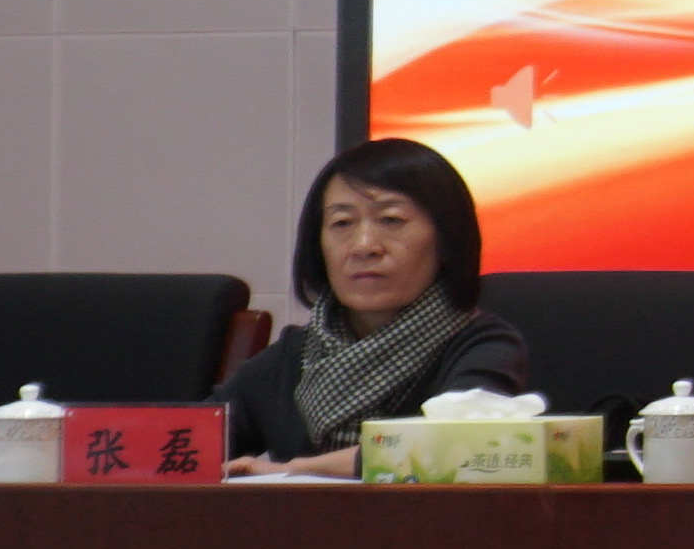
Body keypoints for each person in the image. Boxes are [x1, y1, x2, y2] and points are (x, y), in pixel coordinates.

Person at [224, 138, 534, 472]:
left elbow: (452, 447)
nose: (364, 246)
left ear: (447, 240)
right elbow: (194, 435)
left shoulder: (483, 345)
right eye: (342, 223)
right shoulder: (295, 355)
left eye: (391, 220)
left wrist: (293, 470)